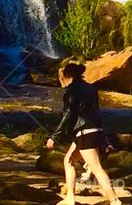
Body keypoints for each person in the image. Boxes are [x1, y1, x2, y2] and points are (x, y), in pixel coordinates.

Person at [45, 62, 122, 205]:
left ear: (67, 76)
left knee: (96, 168)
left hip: (84, 132)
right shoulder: (91, 88)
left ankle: (114, 200)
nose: (59, 80)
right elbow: (95, 110)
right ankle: (70, 198)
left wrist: (54, 137)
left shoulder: (72, 91)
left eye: (60, 77)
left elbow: (69, 114)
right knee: (69, 160)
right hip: (94, 130)